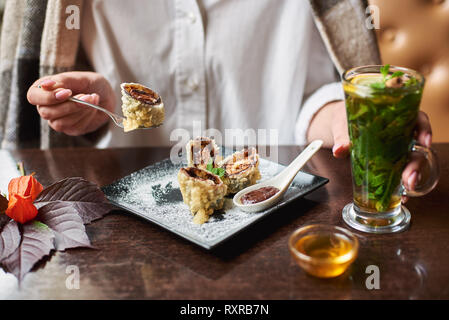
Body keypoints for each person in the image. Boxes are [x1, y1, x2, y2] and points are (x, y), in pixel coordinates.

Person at [19, 0, 431, 192]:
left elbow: (311, 97)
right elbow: (37, 133)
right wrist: (90, 112)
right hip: (121, 213)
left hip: (279, 216)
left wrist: (347, 117)